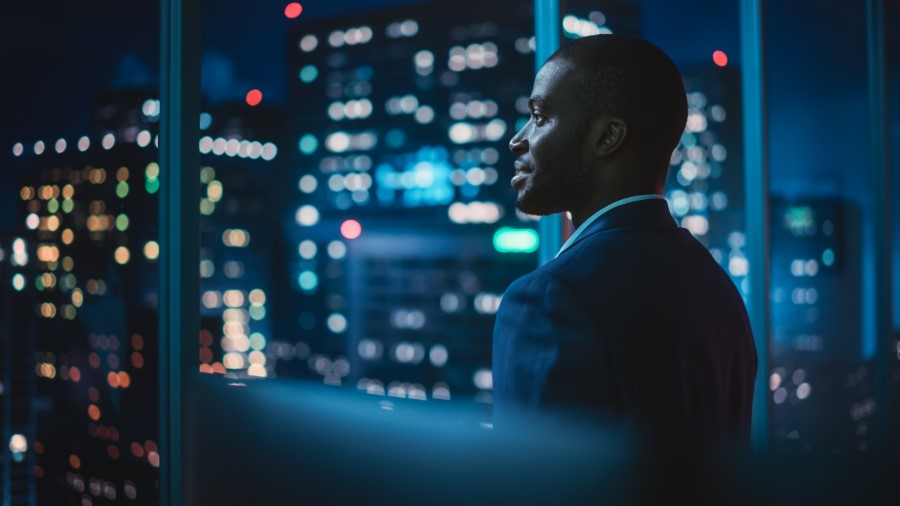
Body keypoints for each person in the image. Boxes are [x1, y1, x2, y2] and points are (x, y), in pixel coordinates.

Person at [492, 34, 757, 448]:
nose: (518, 139)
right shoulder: (717, 287)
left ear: (607, 138)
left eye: (540, 117)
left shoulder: (550, 299)